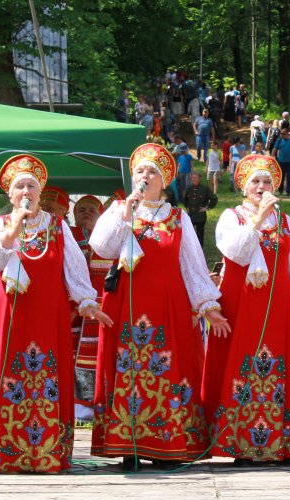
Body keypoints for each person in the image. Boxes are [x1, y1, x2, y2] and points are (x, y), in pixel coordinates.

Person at [89, 143, 230, 471]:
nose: (145, 176)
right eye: (139, 171)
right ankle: (129, 444)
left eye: (152, 171)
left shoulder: (177, 217)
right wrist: (126, 215)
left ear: (164, 180)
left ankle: (168, 442)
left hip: (168, 306)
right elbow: (102, 247)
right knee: (128, 368)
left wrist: (207, 305)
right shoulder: (119, 210)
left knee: (167, 368)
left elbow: (192, 265)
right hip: (125, 302)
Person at [0, 154, 112, 474]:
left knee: (46, 377)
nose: (26, 191)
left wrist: (88, 302)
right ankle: (4, 452)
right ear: (10, 195)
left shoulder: (58, 226)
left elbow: (75, 272)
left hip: (47, 315)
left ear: (41, 192)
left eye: (32, 186)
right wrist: (14, 229)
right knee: (7, 376)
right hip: (9, 314)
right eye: (19, 186)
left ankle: (46, 452)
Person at [202, 154, 290, 466]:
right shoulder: (232, 217)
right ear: (244, 187)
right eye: (255, 181)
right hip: (243, 304)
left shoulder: (285, 220)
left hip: (279, 306)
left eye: (267, 181)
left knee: (279, 367)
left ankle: (281, 444)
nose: (261, 186)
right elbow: (235, 253)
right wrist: (257, 219)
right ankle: (243, 444)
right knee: (242, 366)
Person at [70, 195, 112, 423]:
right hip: (79, 308)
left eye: (91, 210)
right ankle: (81, 406)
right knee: (81, 356)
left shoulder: (108, 239)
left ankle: (101, 404)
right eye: (81, 209)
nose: (86, 213)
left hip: (107, 303)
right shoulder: (69, 236)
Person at [183, 171, 218, 246]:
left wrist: (207, 208)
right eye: (192, 178)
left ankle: (200, 250)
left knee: (200, 234)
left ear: (200, 178)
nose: (193, 179)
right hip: (191, 214)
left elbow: (214, 199)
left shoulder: (205, 189)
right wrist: (188, 208)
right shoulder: (189, 189)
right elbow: (185, 200)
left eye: (195, 178)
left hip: (200, 215)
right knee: (189, 233)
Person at [272, 128, 290, 196]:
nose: (281, 135)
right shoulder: (279, 140)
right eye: (281, 133)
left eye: (283, 134)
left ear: (287, 133)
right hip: (281, 162)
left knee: (289, 177)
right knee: (281, 177)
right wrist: (272, 157)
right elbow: (275, 149)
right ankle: (280, 190)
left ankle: (289, 191)